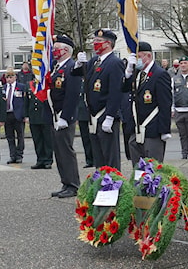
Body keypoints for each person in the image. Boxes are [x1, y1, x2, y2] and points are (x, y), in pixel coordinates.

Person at [74, 29, 125, 170]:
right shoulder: (95, 61)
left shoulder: (114, 63)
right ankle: (102, 185)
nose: (95, 44)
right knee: (99, 156)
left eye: (98, 42)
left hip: (105, 114)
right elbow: (77, 74)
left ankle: (114, 186)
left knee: (110, 156)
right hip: (94, 115)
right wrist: (79, 64)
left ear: (108, 44)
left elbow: (116, 92)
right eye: (94, 41)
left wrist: (110, 116)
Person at [122, 41, 173, 163]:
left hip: (153, 129)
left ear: (148, 56)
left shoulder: (160, 74)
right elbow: (124, 89)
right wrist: (128, 72)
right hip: (137, 128)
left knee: (153, 169)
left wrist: (165, 130)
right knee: (138, 169)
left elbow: (165, 103)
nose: (137, 61)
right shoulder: (137, 74)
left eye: (139, 57)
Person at [49, 35, 82, 198]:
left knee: (66, 150)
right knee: (59, 151)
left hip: (64, 115)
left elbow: (72, 94)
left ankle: (73, 184)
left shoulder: (72, 67)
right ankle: (65, 182)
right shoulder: (56, 67)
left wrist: (65, 117)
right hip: (55, 114)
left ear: (66, 50)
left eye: (57, 48)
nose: (54, 51)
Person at [1, 68, 28, 164]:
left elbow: (24, 102)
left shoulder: (21, 87)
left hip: (18, 114)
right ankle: (12, 155)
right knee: (10, 136)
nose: (9, 79)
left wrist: (25, 115)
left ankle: (19, 155)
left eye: (11, 77)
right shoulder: (3, 88)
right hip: (7, 114)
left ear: (15, 77)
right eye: (7, 77)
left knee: (20, 136)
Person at [25, 87, 53, 169]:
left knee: (47, 140)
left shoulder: (46, 85)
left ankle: (48, 160)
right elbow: (26, 102)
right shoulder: (30, 86)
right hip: (34, 116)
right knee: (37, 140)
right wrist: (26, 115)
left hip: (45, 116)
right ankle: (40, 160)